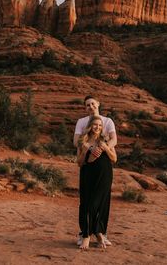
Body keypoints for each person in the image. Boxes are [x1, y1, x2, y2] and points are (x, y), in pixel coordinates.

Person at [73, 95, 117, 246]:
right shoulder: (81, 122)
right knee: (87, 202)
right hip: (88, 170)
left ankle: (100, 232)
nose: (90, 107)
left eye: (93, 104)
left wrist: (103, 147)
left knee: (103, 202)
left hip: (104, 170)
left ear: (98, 104)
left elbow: (114, 140)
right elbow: (77, 141)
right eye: (87, 105)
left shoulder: (108, 122)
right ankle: (85, 233)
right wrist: (87, 148)